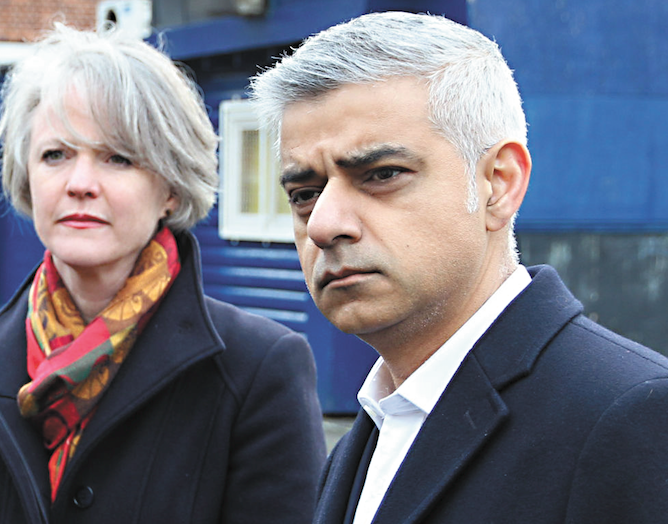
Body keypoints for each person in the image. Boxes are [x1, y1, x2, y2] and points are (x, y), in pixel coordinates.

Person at [250, 11, 668, 524]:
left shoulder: (632, 418)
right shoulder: (375, 429)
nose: (323, 224)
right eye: (305, 193)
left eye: (381, 174)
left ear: (499, 182)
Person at [0, 23, 326, 524]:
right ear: (28, 177)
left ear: (170, 190)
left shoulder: (258, 368)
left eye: (117, 158)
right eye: (55, 155)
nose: (80, 183)